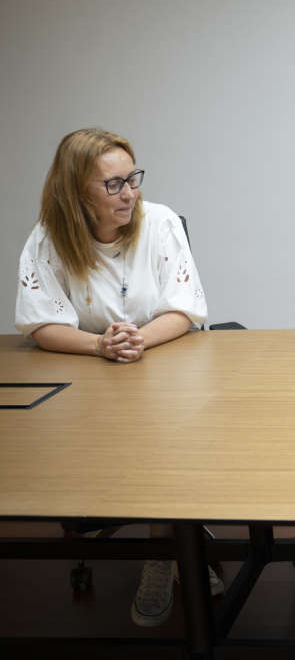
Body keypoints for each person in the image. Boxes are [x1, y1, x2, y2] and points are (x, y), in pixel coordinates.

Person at [14, 127, 220, 627]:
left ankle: (164, 549)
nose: (130, 193)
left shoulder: (161, 222)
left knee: (168, 439)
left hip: (165, 366)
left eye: (133, 178)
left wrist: (136, 342)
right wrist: (100, 346)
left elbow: (184, 311)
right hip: (92, 377)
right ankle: (174, 542)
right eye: (114, 184)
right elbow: (41, 324)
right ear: (76, 192)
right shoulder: (48, 237)